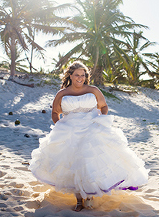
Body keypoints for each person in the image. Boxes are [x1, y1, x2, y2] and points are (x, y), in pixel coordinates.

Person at [28, 61, 148, 212]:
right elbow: (55, 112)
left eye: (83, 75)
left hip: (91, 127)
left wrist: (101, 119)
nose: (80, 78)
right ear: (70, 75)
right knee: (72, 163)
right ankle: (79, 199)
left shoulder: (93, 90)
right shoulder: (62, 94)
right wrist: (60, 126)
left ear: (86, 76)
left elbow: (103, 107)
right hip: (70, 130)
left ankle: (90, 196)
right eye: (77, 75)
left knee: (90, 162)